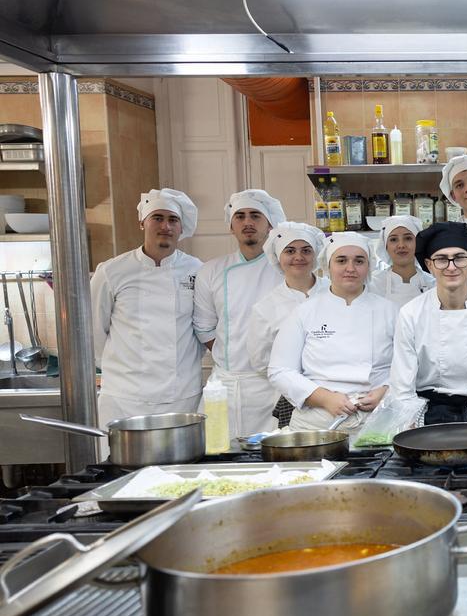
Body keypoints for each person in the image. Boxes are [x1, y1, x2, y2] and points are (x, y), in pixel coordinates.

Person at [91, 188, 204, 427]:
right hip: (124, 398)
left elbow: (204, 327)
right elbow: (93, 333)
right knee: (119, 464)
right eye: (158, 218)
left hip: (181, 396)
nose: (166, 226)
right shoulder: (111, 272)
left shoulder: (198, 271)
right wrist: (126, 369)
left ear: (181, 228)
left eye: (173, 220)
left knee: (180, 464)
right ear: (142, 222)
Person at [269, 233, 397, 438]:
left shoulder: (390, 311)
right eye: (341, 260)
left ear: (369, 266)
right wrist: (325, 398)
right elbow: (280, 370)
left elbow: (410, 365)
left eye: (359, 261)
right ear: (327, 266)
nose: (350, 268)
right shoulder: (305, 312)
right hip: (316, 420)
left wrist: (386, 391)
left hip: (378, 419)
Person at [388, 222, 467, 424]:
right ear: (429, 265)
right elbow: (402, 386)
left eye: (459, 258)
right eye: (442, 259)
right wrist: (408, 433)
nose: (451, 267)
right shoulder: (411, 314)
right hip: (424, 415)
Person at [192, 188, 285, 440]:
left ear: (270, 224)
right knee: (217, 456)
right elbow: (204, 327)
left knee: (272, 463)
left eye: (255, 215)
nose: (247, 222)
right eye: (240, 216)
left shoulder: (285, 269)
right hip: (224, 387)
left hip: (271, 388)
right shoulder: (211, 271)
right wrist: (231, 355)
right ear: (231, 226)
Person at [246, 222, 329, 428]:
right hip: (293, 398)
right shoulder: (265, 307)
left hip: (337, 390)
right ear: (278, 257)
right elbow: (261, 361)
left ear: (316, 255)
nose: (298, 257)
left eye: (306, 251)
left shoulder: (335, 292)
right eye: (290, 251)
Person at [369, 215, 435, 308]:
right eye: (393, 239)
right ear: (385, 246)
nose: (401, 245)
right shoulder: (372, 285)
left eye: (408, 238)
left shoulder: (434, 285)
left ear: (418, 244)